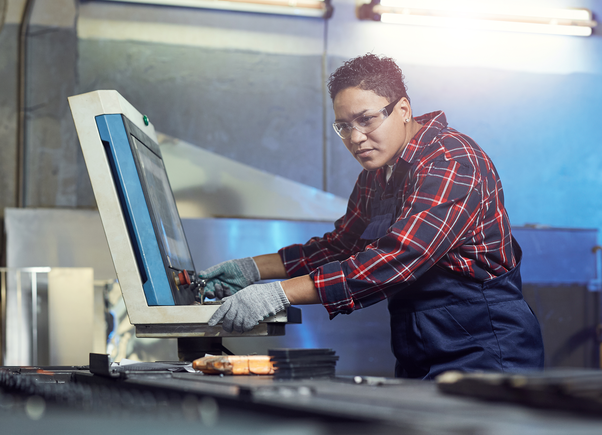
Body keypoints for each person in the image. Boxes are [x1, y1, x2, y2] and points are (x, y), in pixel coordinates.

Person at [203, 53, 544, 379]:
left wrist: (280, 294)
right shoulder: (378, 175)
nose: (355, 138)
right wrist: (251, 270)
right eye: (343, 126)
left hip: (487, 354)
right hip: (420, 352)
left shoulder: (451, 161)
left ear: (404, 109)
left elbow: (398, 257)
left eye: (366, 120)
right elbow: (341, 246)